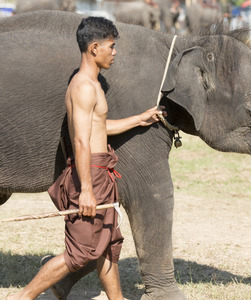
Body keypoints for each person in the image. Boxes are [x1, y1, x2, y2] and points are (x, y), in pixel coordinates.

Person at [7, 16, 166, 300]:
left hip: (101, 171)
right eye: (111, 46)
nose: (114, 52)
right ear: (94, 48)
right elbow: (81, 140)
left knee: (107, 244)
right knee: (78, 255)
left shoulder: (93, 85)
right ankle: (20, 298)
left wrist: (139, 119)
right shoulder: (82, 87)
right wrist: (87, 191)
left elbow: (99, 129)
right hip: (89, 175)